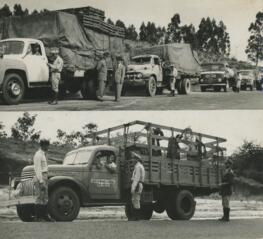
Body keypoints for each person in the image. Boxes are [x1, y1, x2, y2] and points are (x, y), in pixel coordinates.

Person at [33, 139, 53, 222]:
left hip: (44, 176)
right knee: (39, 197)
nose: (48, 147)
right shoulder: (38, 155)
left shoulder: (43, 154)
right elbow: (37, 169)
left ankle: (44, 216)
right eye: (47, 145)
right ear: (43, 145)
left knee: (44, 197)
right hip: (40, 176)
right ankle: (38, 217)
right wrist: (41, 181)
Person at [130, 152, 145, 221]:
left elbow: (136, 178)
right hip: (140, 184)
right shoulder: (140, 166)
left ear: (137, 160)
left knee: (136, 200)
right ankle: (136, 217)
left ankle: (136, 217)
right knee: (135, 200)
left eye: (134, 159)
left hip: (137, 184)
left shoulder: (138, 167)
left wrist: (133, 187)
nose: (132, 160)